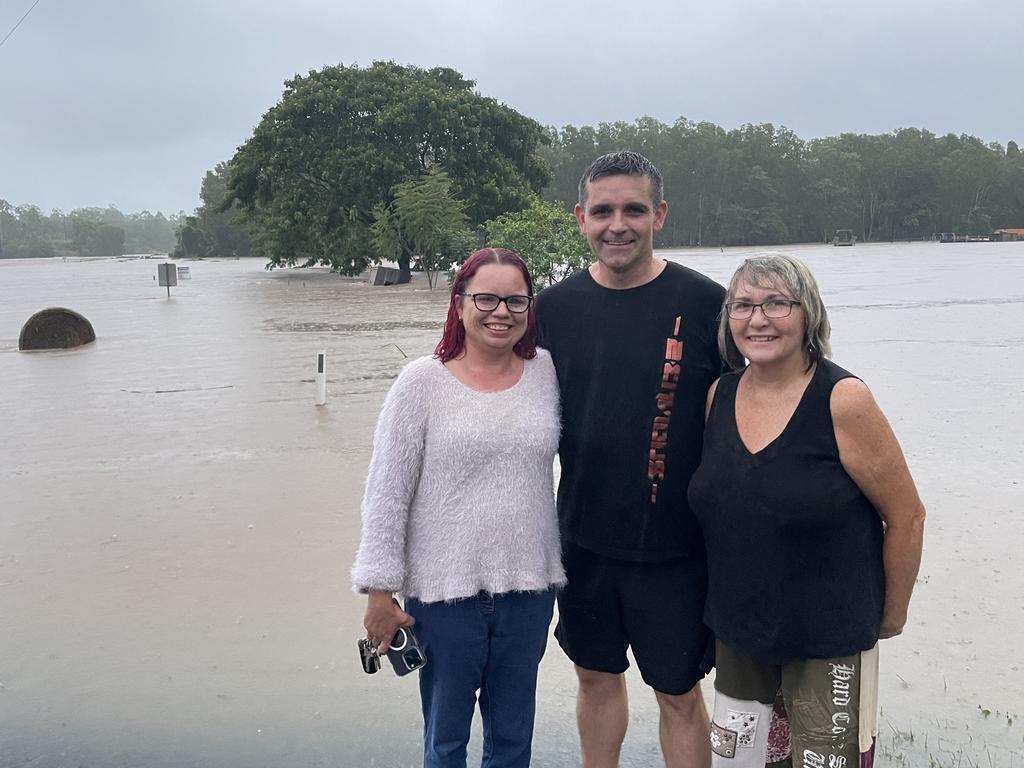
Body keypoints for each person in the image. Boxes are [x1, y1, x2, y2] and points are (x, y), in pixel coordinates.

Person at [687, 253, 926, 768]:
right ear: (728, 320)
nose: (759, 319)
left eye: (778, 303)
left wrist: (890, 615)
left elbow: (907, 516)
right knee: (739, 761)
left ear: (808, 314)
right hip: (739, 629)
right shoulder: (718, 395)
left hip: (829, 634)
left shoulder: (843, 400)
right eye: (744, 305)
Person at [535, 152, 725, 768]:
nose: (618, 224)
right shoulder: (553, 311)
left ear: (660, 215)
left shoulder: (708, 306)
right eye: (603, 211)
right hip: (584, 538)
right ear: (580, 218)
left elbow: (759, 409)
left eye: (634, 210)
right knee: (594, 678)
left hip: (677, 546)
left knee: (678, 693)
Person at [351, 247, 566, 768]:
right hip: (444, 597)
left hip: (528, 592)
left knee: (513, 738)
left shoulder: (546, 373)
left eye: (516, 300)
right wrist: (379, 590)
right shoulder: (420, 382)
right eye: (486, 298)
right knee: (445, 740)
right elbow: (386, 492)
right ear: (459, 302)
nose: (501, 312)